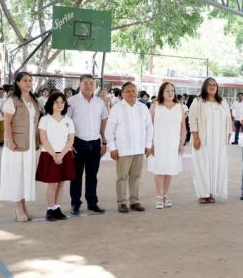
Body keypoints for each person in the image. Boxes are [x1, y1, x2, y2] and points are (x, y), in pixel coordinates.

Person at [105, 82, 153, 213]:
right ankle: (122, 202)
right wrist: (112, 148)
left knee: (136, 176)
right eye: (128, 91)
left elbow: (149, 127)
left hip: (139, 149)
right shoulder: (117, 108)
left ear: (136, 92)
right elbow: (109, 130)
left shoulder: (143, 107)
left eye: (133, 91)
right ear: (122, 94)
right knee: (122, 177)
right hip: (123, 150)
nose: (131, 93)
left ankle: (134, 201)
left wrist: (148, 145)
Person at [1, 72, 40, 222]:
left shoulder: (34, 101)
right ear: (17, 83)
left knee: (25, 175)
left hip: (30, 145)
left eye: (30, 80)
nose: (28, 83)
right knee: (17, 175)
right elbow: (7, 123)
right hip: (16, 145)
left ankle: (24, 206)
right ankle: (18, 208)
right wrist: (10, 141)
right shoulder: (13, 100)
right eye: (25, 80)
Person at [66, 74, 108, 215]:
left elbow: (103, 121)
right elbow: (66, 122)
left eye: (91, 83)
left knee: (92, 175)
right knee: (76, 176)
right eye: (85, 83)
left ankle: (92, 203)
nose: (89, 85)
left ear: (95, 85)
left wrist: (104, 141)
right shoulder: (71, 101)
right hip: (78, 143)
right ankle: (75, 204)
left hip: (95, 143)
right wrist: (69, 142)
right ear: (80, 84)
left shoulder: (99, 102)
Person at [189, 77, 231, 203]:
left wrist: (228, 135)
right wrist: (196, 138)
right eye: (209, 84)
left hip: (219, 141)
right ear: (205, 87)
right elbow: (192, 120)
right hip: (203, 139)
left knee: (215, 165)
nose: (212, 87)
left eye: (214, 84)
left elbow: (228, 119)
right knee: (202, 165)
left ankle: (211, 192)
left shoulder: (222, 102)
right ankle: (202, 194)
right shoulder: (198, 101)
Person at [36, 92, 75, 221]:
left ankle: (57, 208)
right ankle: (50, 209)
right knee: (52, 184)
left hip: (65, 155)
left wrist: (62, 154)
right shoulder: (45, 119)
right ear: (50, 104)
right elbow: (44, 140)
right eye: (56, 102)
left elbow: (70, 140)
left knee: (61, 183)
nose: (59, 104)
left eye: (62, 102)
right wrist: (54, 155)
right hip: (49, 155)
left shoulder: (68, 120)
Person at [148, 82, 185, 209]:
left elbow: (183, 127)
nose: (171, 93)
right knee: (159, 170)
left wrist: (181, 143)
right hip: (158, 142)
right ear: (162, 92)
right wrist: (150, 143)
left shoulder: (179, 107)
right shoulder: (155, 106)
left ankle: (165, 195)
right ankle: (159, 196)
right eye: (168, 91)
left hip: (173, 143)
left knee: (169, 169)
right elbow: (148, 126)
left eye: (172, 91)